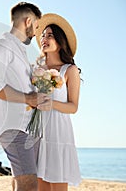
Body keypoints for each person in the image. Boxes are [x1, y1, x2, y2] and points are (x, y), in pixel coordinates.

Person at [0, 2, 49, 191]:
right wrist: (29, 99)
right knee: (28, 184)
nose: (36, 32)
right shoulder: (2, 45)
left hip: (27, 127)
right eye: (36, 26)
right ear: (28, 21)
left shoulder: (19, 50)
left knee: (23, 182)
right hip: (13, 127)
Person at [35, 13, 82, 191]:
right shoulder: (36, 69)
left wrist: (51, 104)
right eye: (42, 35)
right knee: (40, 185)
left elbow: (73, 106)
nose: (43, 39)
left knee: (58, 184)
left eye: (50, 35)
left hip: (58, 134)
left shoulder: (70, 70)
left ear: (60, 42)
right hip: (37, 132)